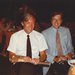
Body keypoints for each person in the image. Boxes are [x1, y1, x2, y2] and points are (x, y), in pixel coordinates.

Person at [7, 9, 48, 75]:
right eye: (28, 23)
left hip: (35, 64)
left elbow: (43, 55)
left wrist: (39, 59)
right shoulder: (15, 36)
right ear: (22, 23)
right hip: (20, 63)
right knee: (26, 68)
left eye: (33, 23)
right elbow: (11, 56)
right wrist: (22, 58)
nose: (31, 26)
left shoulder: (40, 36)